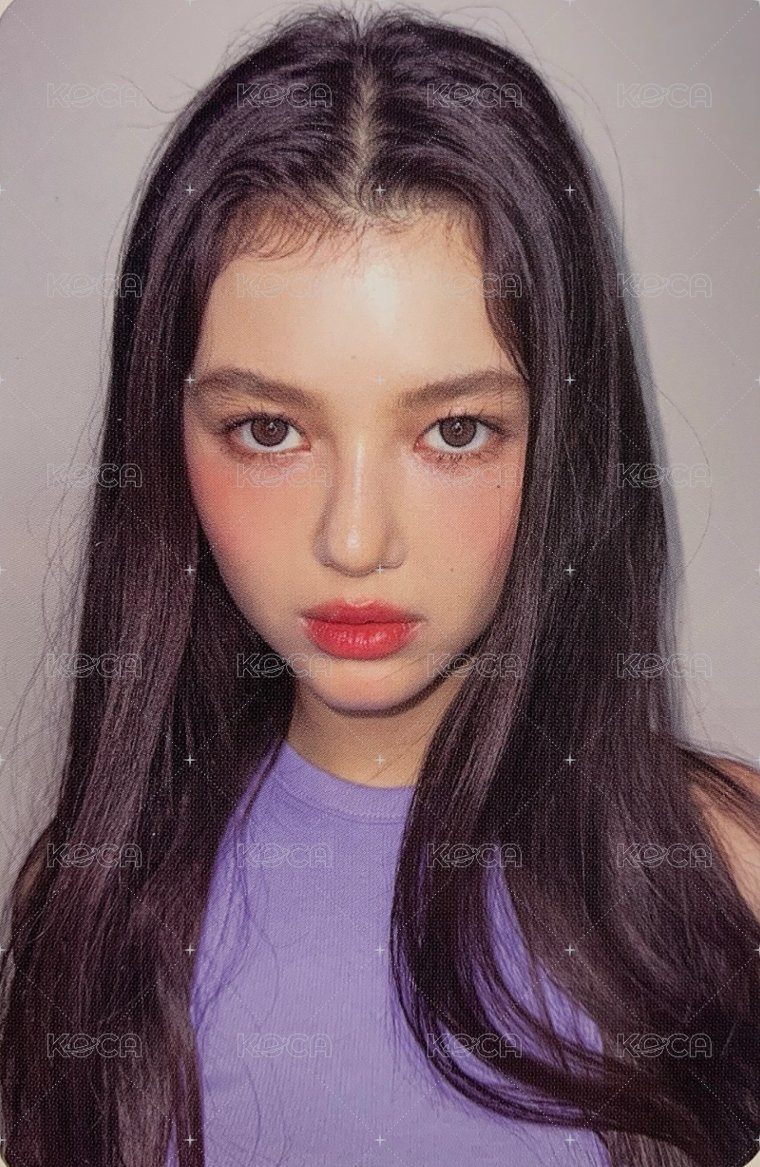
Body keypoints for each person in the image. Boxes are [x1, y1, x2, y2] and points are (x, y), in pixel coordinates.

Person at [1, 6, 759, 1166]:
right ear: (166, 446)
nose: (354, 541)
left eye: (454, 430)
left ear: (565, 446)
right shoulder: (85, 907)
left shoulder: (730, 878)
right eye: (267, 429)